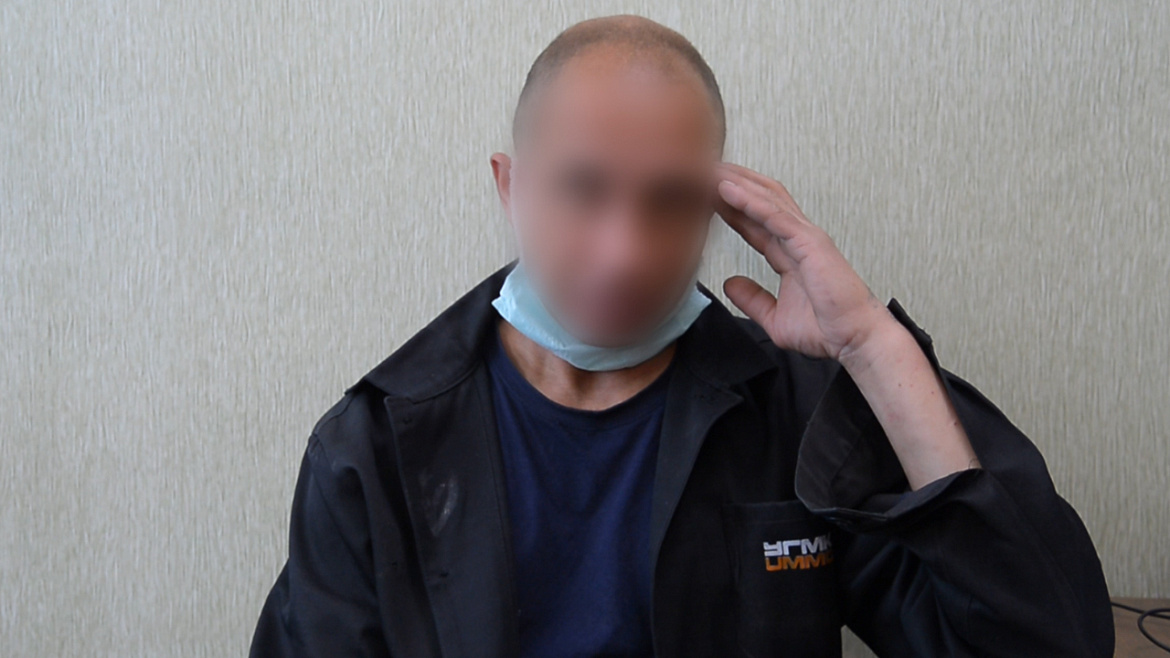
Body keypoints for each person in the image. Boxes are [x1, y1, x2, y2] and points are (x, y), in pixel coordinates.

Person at [250, 14, 1113, 658]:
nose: (624, 253)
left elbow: (1045, 644)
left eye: (669, 201)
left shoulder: (798, 413)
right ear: (510, 187)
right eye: (584, 189)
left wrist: (872, 348)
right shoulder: (375, 447)